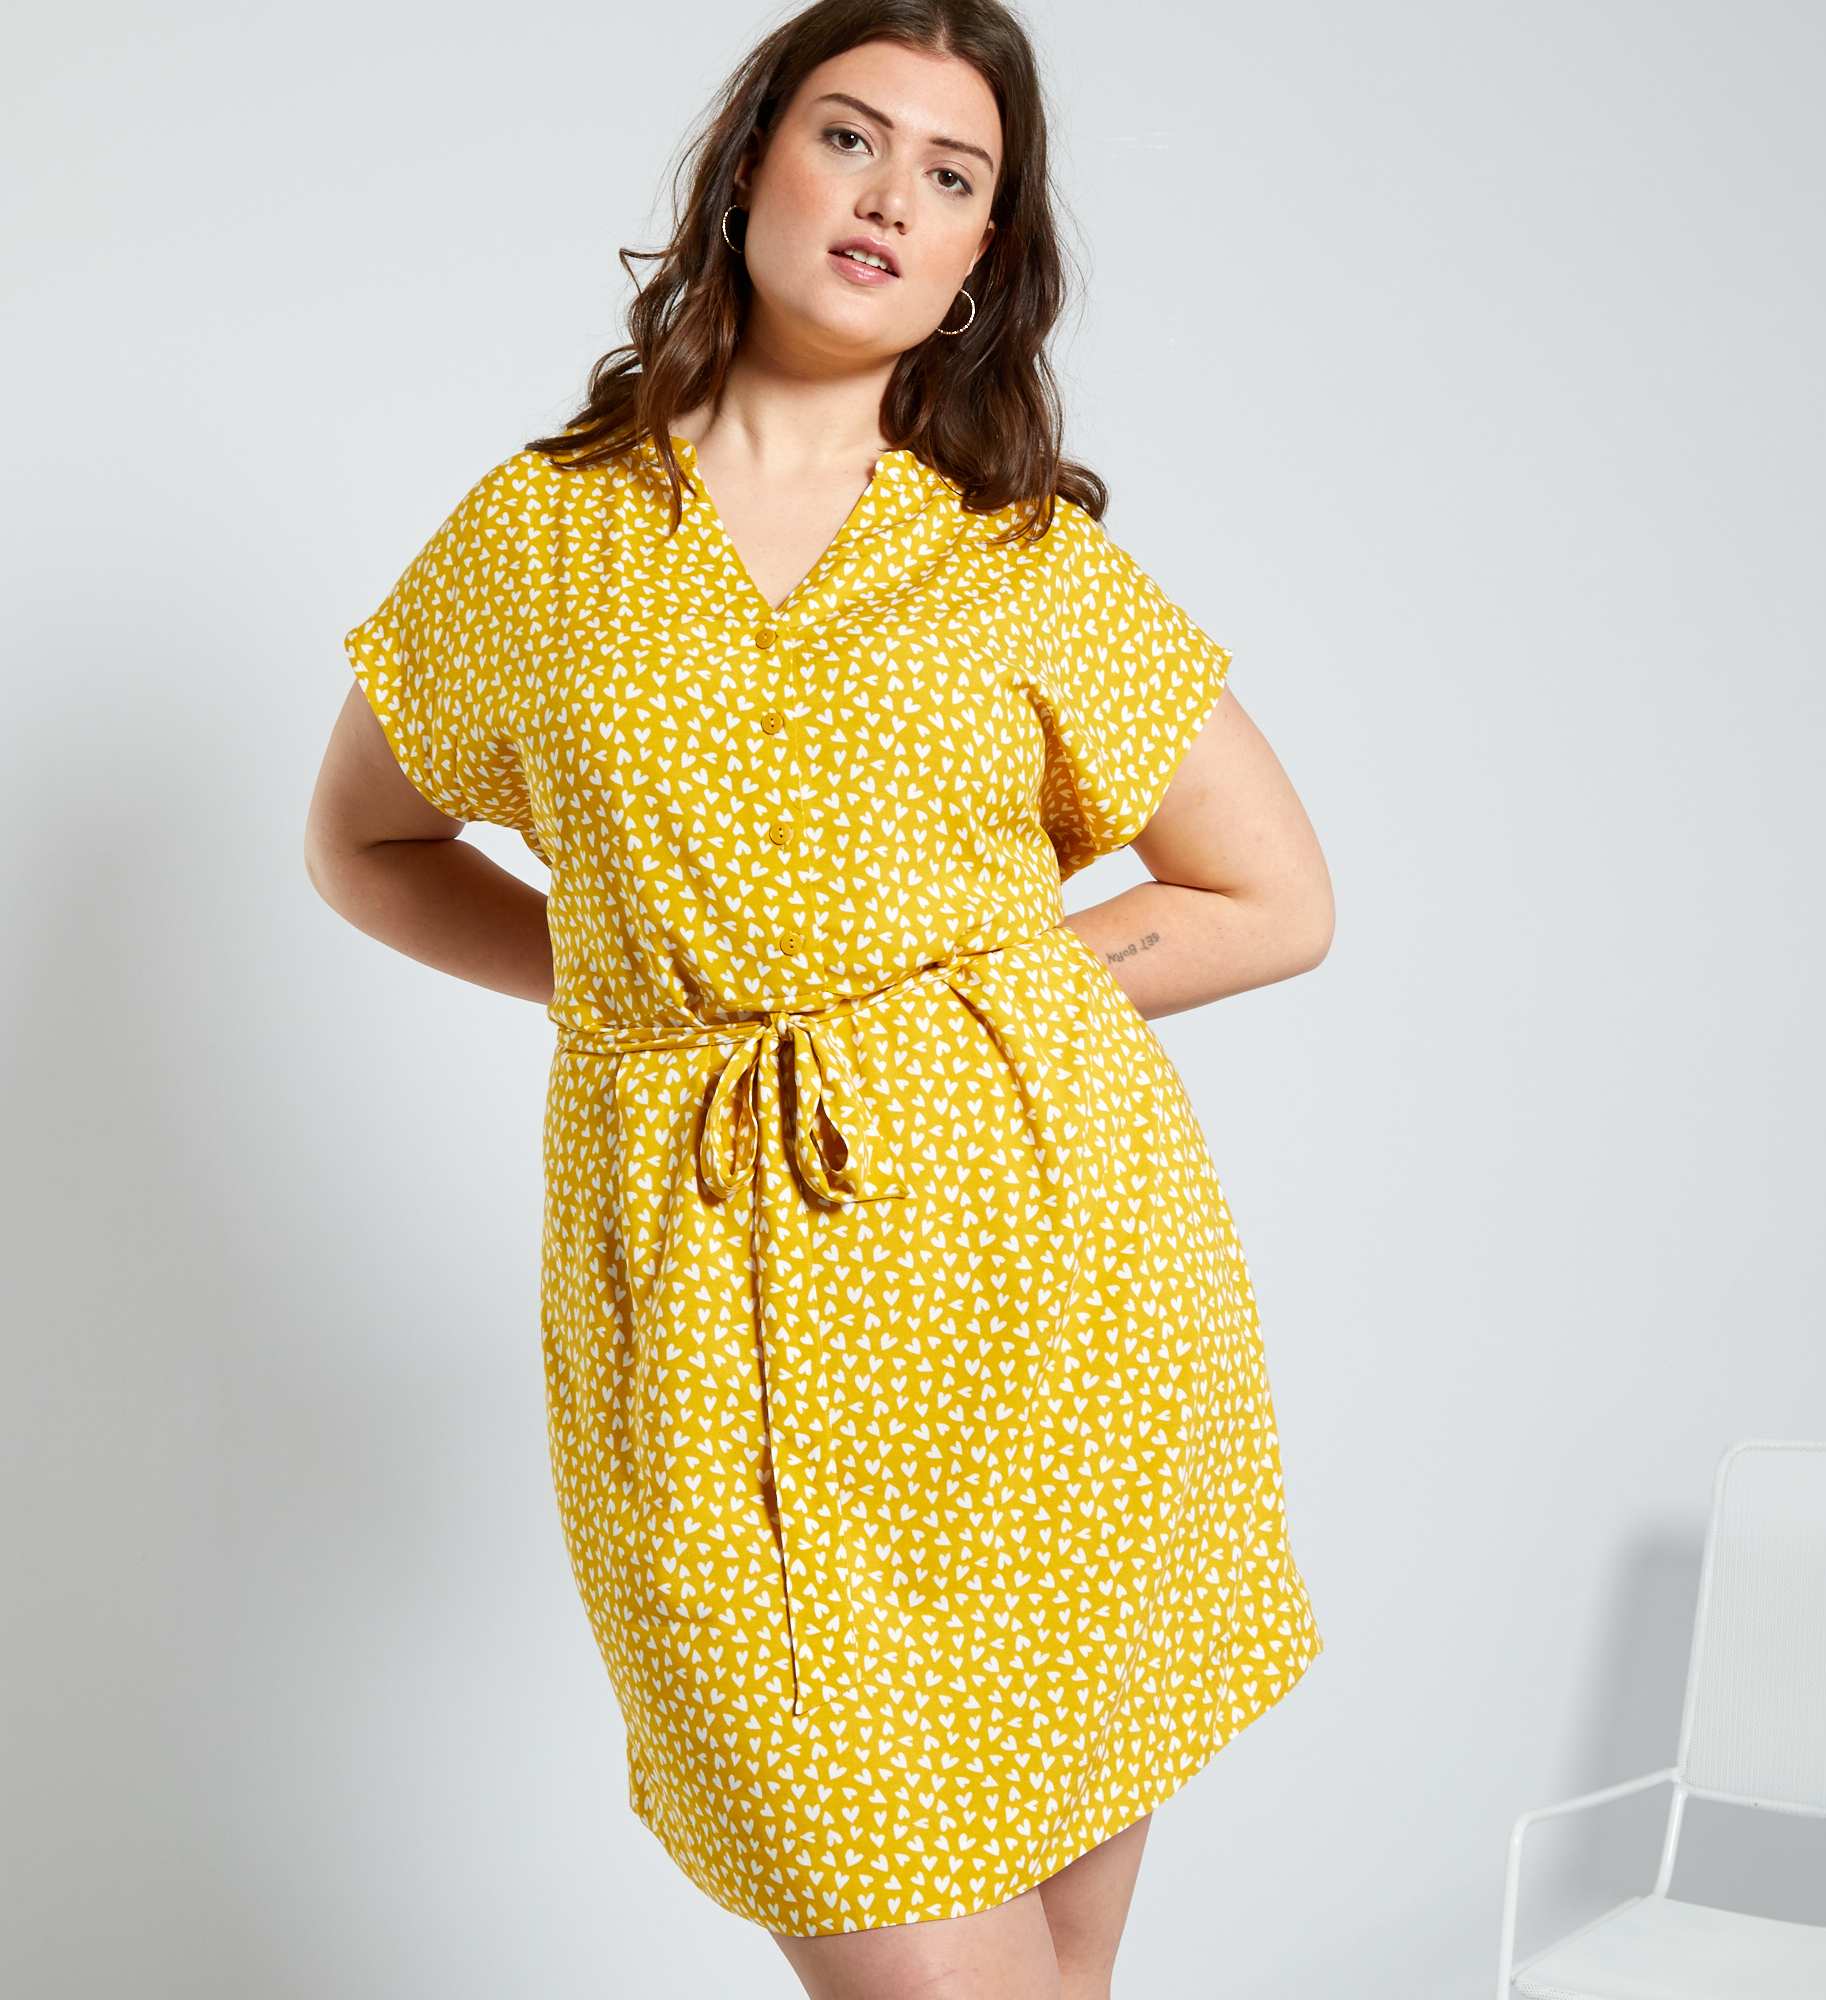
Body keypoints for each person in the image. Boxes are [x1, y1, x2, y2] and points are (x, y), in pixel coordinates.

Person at [305, 4, 1335, 1994]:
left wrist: (964, 1016)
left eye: (952, 176)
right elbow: (364, 842)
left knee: (1054, 1971)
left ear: (980, 257)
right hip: (700, 1327)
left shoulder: (1024, 561)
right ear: (750, 164)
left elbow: (1271, 896)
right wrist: (634, 998)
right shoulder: (538, 536)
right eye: (851, 138)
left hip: (1050, 1310)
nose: (890, 197)